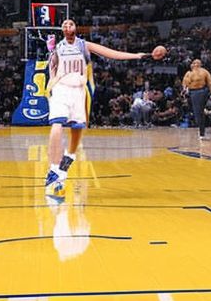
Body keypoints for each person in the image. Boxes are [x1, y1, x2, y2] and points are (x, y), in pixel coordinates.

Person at [44, 19, 152, 199]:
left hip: (79, 91)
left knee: (76, 131)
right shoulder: (57, 49)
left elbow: (111, 53)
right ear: (61, 30)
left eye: (70, 23)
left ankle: (67, 161)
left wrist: (138, 55)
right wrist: (50, 88)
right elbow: (52, 71)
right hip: (61, 89)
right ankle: (53, 169)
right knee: (56, 126)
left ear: (76, 28)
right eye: (64, 24)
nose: (67, 26)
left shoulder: (84, 45)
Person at [182, 59, 211, 138]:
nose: (194, 64)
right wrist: (184, 91)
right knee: (198, 112)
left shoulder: (204, 72)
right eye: (194, 63)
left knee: (198, 112)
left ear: (199, 64)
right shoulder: (189, 73)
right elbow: (184, 85)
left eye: (196, 63)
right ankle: (201, 128)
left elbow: (210, 83)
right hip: (192, 93)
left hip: (200, 92)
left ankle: (202, 132)